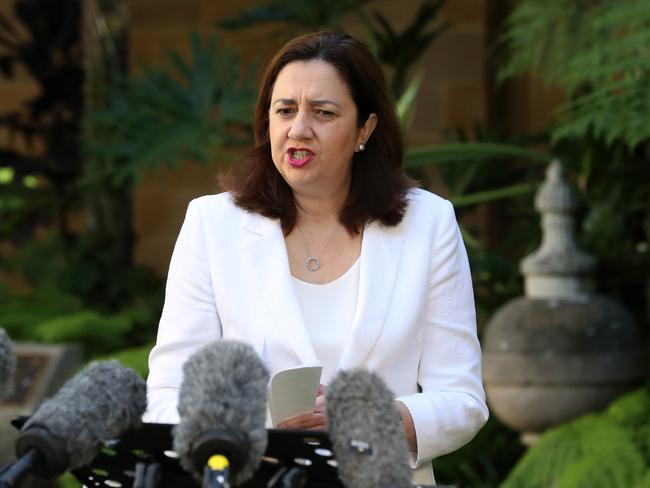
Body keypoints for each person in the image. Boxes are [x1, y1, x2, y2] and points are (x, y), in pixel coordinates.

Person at [144, 31, 488, 484]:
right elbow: (168, 394)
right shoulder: (212, 225)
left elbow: (462, 400)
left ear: (365, 129)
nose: (298, 128)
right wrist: (255, 434)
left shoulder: (429, 224)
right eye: (284, 110)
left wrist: (371, 419)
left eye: (323, 113)